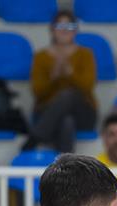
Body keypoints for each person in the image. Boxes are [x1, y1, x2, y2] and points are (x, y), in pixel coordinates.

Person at [26, 10, 97, 153]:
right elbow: (37, 92)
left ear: (75, 30)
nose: (64, 30)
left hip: (84, 113)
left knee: (68, 94)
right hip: (47, 112)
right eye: (60, 26)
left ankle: (36, 136)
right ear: (52, 30)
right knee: (66, 121)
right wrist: (53, 78)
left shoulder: (85, 54)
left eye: (69, 26)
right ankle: (67, 164)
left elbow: (88, 86)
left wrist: (70, 74)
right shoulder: (40, 57)